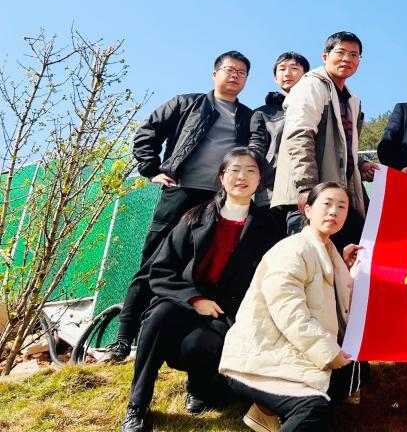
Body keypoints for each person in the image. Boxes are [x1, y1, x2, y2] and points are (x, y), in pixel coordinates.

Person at [112, 51, 266, 362]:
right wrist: (151, 169)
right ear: (214, 73)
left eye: (242, 73)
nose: (235, 76)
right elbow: (147, 131)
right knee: (154, 262)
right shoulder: (186, 103)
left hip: (219, 201)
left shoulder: (250, 117)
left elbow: (256, 149)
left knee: (205, 268)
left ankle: (182, 337)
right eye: (230, 70)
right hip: (180, 192)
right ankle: (124, 338)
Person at [120, 147, 281, 432]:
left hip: (228, 310)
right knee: (156, 319)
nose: (242, 177)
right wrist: (194, 299)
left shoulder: (268, 228)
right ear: (221, 177)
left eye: (251, 171)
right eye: (234, 170)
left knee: (197, 346)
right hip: (184, 299)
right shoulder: (194, 216)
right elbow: (161, 269)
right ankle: (137, 406)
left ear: (260, 180)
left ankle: (200, 386)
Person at [220, 181, 361, 432]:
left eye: (342, 207)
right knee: (314, 410)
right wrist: (329, 353)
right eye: (327, 204)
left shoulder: (328, 251)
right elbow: (290, 313)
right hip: (262, 355)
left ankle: (264, 412)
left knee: (357, 371)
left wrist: (346, 268)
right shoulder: (292, 250)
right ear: (308, 210)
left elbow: (336, 304)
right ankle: (279, 407)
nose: (334, 211)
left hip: (293, 350)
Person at [272, 32, 376, 248]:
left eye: (354, 54)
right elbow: (299, 135)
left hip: (339, 198)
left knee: (346, 261)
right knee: (307, 261)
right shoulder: (311, 85)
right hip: (311, 196)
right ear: (325, 56)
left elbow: (341, 147)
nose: (347, 59)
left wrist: (360, 164)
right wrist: (307, 187)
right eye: (341, 52)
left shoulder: (351, 100)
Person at [251, 52, 310, 209]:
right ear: (275, 78)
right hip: (271, 193)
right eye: (282, 69)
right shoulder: (262, 113)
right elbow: (256, 148)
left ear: (306, 75)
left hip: (309, 192)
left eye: (294, 68)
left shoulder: (317, 107)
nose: (287, 73)